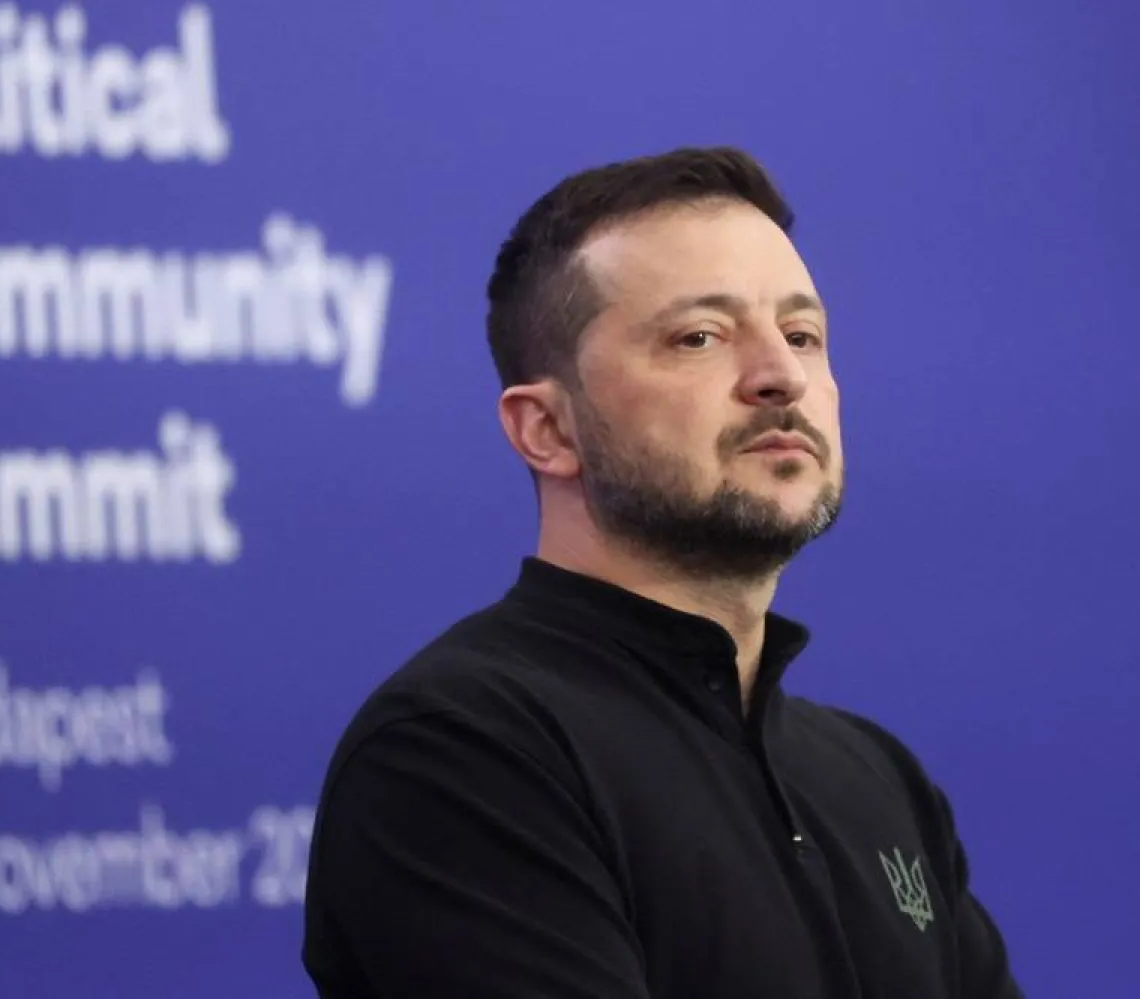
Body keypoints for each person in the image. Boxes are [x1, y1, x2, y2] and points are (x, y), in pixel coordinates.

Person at [299, 147, 1025, 998]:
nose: (780, 375)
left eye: (802, 334)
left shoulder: (878, 778)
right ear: (548, 430)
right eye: (700, 337)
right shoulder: (459, 751)